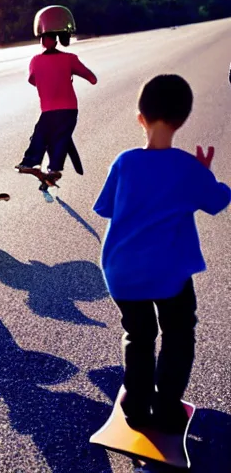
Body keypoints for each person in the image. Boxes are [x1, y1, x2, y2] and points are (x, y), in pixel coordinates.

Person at [93, 74, 230, 433]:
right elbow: (217, 202)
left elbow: (106, 208)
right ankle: (166, 405)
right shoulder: (187, 168)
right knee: (178, 332)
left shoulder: (123, 162)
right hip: (168, 274)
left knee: (138, 335)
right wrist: (205, 176)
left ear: (141, 117)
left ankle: (135, 406)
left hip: (121, 273)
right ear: (182, 120)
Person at [15, 5, 97, 188]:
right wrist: (69, 76)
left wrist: (48, 83)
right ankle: (53, 171)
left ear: (42, 38)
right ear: (61, 38)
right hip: (68, 109)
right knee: (59, 138)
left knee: (41, 134)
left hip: (49, 109)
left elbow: (32, 80)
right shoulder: (70, 59)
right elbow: (92, 78)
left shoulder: (35, 61)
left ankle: (30, 162)